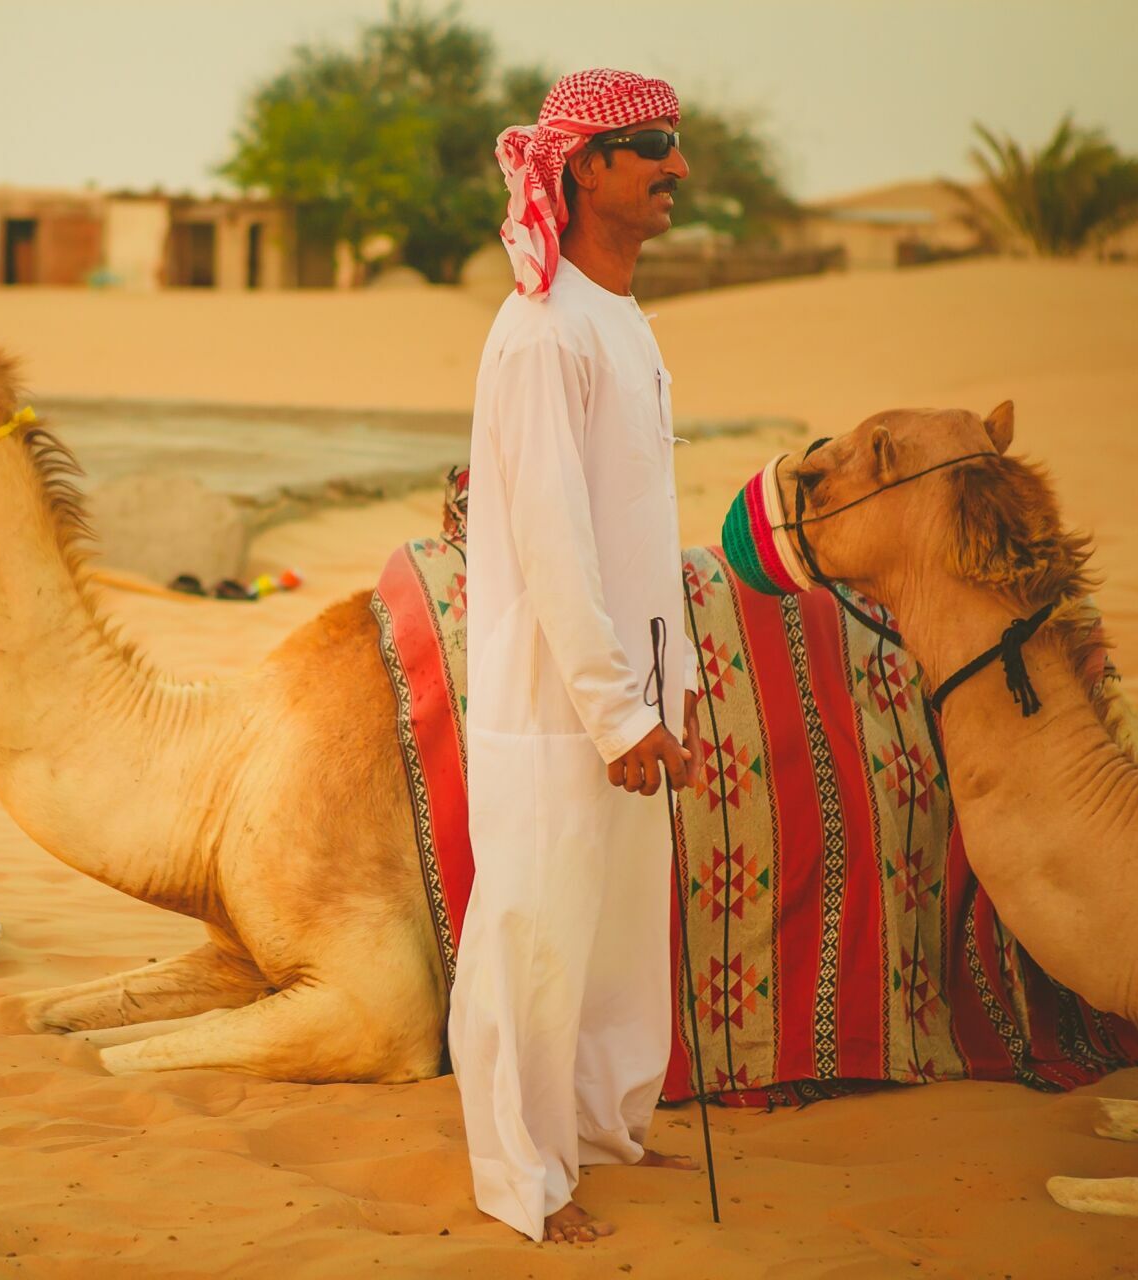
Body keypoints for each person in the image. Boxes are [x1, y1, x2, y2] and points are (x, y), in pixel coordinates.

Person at [449, 67, 702, 1244]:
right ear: (585, 168)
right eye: (651, 144)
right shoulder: (545, 332)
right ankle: (522, 1176)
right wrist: (613, 710)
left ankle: (600, 1129)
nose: (676, 167)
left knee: (613, 932)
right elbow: (555, 545)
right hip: (556, 694)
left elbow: (635, 523)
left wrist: (665, 690)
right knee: (537, 935)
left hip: (630, 685)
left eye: (675, 143)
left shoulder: (620, 316)